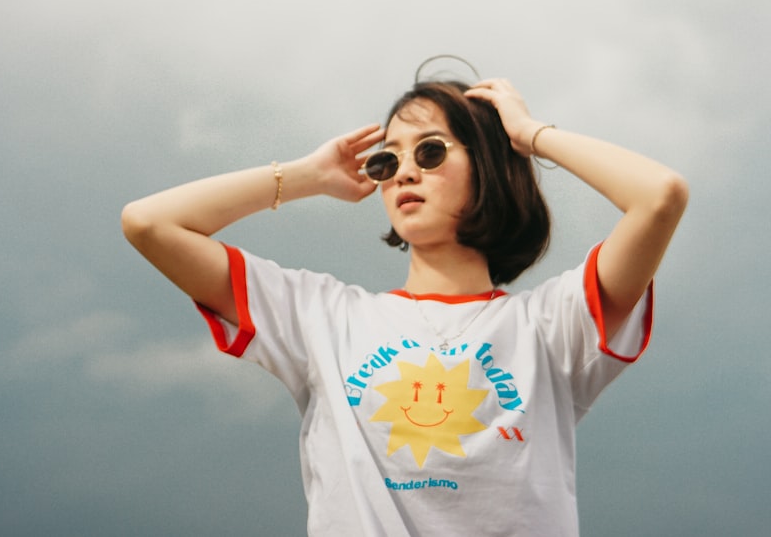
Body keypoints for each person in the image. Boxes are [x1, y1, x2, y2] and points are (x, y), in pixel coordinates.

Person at [121, 69, 688, 536]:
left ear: (488, 164)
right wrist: (305, 177)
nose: (405, 172)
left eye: (432, 151)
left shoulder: (551, 325)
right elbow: (150, 223)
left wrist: (527, 133)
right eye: (387, 160)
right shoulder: (321, 316)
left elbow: (659, 196)